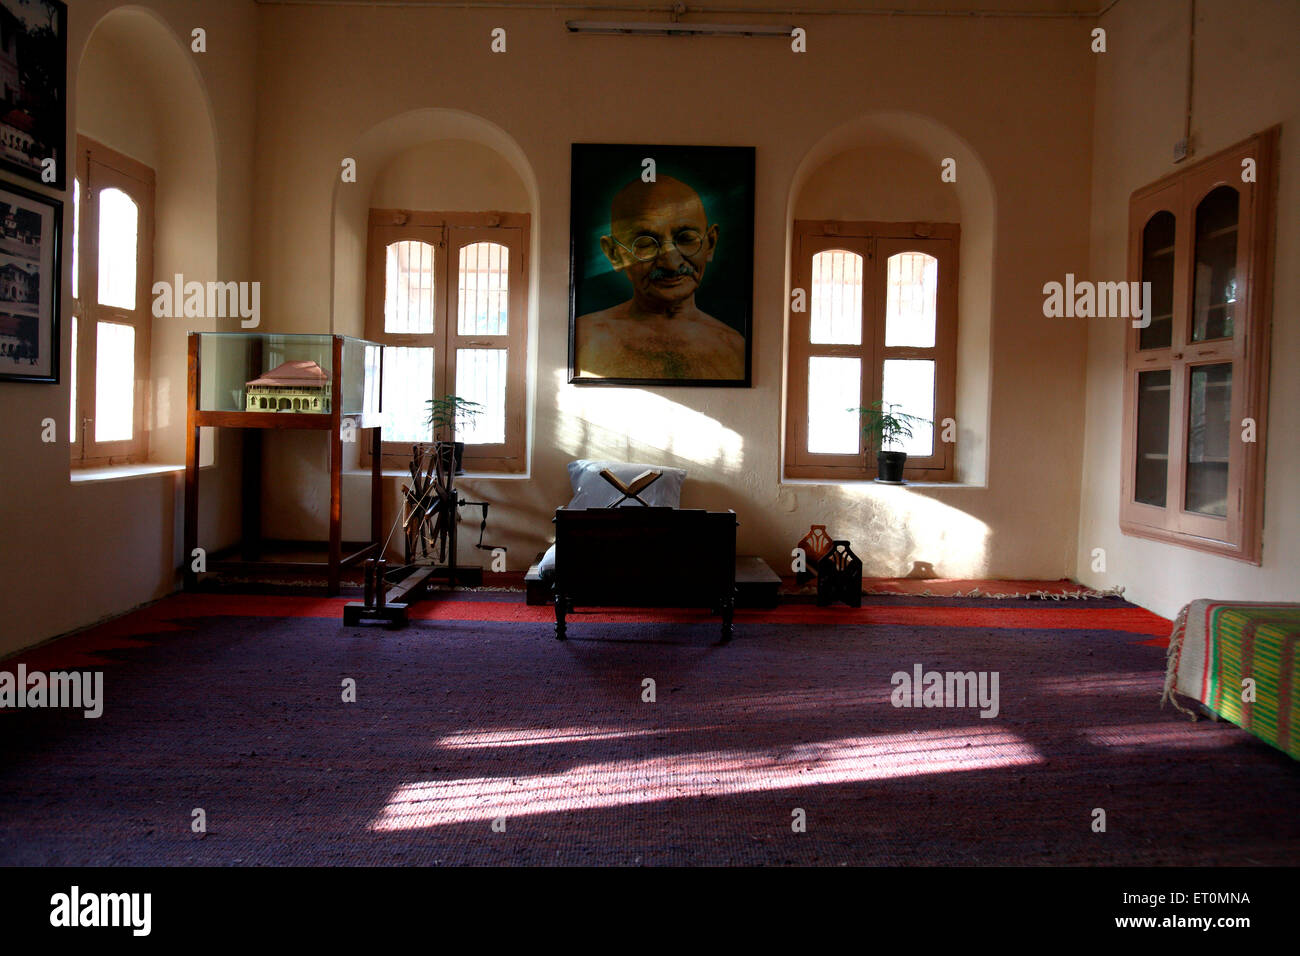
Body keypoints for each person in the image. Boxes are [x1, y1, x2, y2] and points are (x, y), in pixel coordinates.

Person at [575, 175, 744, 380]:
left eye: (687, 239)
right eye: (646, 243)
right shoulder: (585, 338)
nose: (671, 264)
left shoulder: (735, 349)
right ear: (614, 254)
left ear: (710, 243)